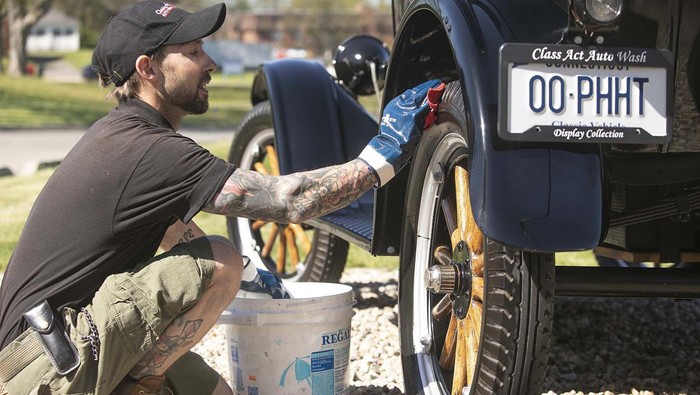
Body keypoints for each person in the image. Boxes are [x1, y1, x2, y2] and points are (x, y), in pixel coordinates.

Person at [0, 1, 444, 394]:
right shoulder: (150, 150)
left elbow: (174, 231)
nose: (209, 62)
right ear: (147, 69)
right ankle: (138, 385)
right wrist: (381, 156)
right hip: (43, 364)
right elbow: (290, 200)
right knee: (220, 260)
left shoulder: (126, 137)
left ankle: (137, 380)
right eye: (192, 53)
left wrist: (257, 278)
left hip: (54, 346)